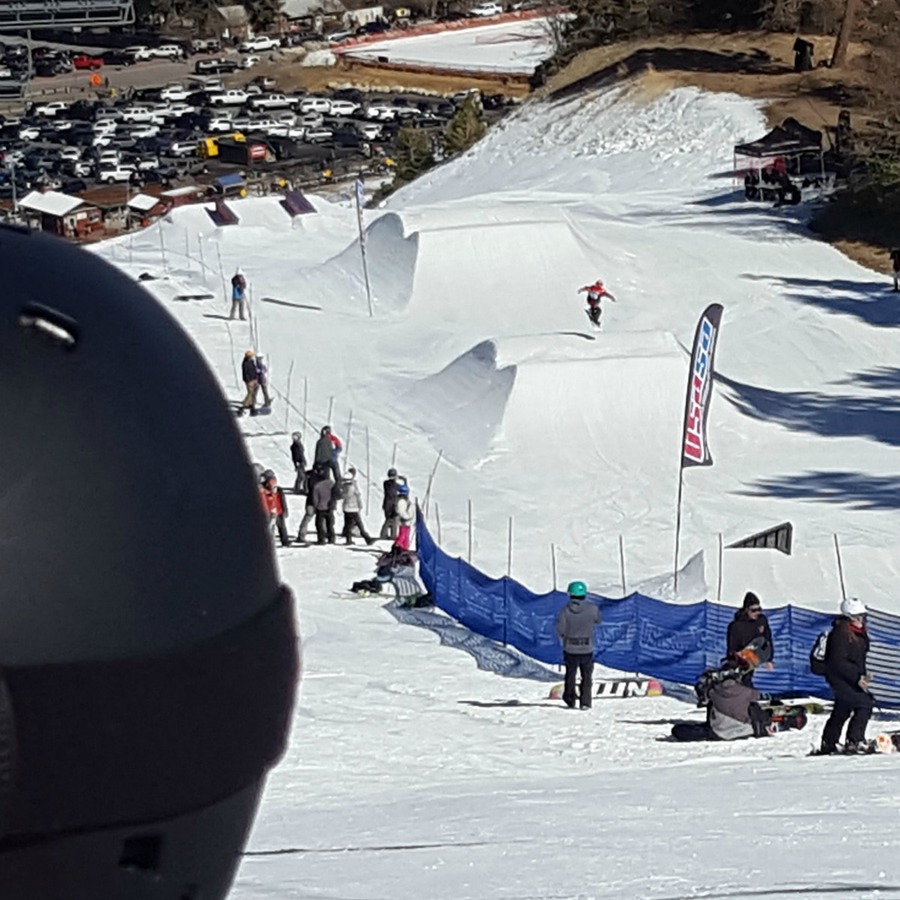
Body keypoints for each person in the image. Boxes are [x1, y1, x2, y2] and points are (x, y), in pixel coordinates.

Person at [819, 597, 873, 755]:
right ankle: (855, 740)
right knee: (865, 703)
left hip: (851, 677)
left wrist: (862, 676)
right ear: (849, 618)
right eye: (858, 617)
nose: (862, 621)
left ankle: (829, 741)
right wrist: (857, 678)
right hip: (840, 678)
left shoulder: (858, 634)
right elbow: (838, 662)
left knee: (842, 708)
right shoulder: (840, 635)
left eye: (863, 617)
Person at [555, 581, 601, 709]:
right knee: (586, 676)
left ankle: (570, 698)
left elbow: (561, 630)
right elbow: (598, 620)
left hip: (570, 649)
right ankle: (585, 702)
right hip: (587, 648)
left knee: (570, 675)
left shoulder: (564, 611)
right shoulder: (593, 609)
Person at [726, 591, 774, 683]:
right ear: (746, 610)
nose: (757, 613)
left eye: (759, 609)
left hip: (753, 656)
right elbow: (731, 645)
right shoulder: (736, 626)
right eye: (753, 610)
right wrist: (734, 658)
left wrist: (769, 659)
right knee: (740, 680)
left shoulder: (761, 621)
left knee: (748, 678)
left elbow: (767, 638)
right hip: (740, 658)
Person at [340, 466, 374, 545]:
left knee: (348, 524)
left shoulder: (345, 487)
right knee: (359, 524)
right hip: (353, 508)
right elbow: (353, 494)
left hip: (347, 507)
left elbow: (344, 495)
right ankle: (367, 539)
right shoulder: (351, 487)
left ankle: (348, 539)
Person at [259, 469, 290, 547]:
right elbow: (282, 500)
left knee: (272, 528)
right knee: (281, 527)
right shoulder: (278, 489)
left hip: (271, 510)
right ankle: (284, 541)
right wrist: (285, 510)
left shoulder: (263, 488)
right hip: (277, 510)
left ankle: (271, 543)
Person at [311, 468, 337, 545]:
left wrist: (315, 506)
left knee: (319, 524)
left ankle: (321, 539)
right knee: (330, 524)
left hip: (320, 507)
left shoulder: (317, 486)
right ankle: (331, 538)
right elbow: (335, 494)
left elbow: (315, 499)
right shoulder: (332, 483)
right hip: (330, 507)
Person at [380, 467, 400, 540]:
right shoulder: (394, 485)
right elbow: (401, 488)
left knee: (389, 520)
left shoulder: (386, 483)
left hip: (386, 504)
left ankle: (388, 534)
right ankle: (390, 535)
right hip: (392, 505)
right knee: (392, 520)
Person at [239, 350, 259, 416]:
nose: (252, 357)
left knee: (254, 392)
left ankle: (251, 405)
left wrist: (256, 378)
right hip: (249, 381)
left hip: (254, 379)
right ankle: (244, 406)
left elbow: (254, 370)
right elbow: (246, 374)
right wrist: (249, 381)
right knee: (250, 393)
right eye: (251, 356)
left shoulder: (251, 362)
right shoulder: (245, 363)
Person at [395, 481, 413, 550]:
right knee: (403, 535)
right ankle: (399, 546)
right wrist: (407, 517)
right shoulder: (401, 501)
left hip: (407, 521)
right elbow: (401, 512)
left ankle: (405, 547)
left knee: (406, 535)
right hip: (403, 521)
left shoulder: (405, 500)